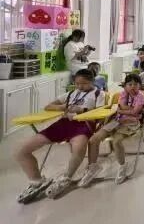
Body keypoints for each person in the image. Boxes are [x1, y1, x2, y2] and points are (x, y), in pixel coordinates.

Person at [15, 69, 105, 202]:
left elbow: (101, 112)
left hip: (83, 126)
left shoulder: (99, 94)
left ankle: (66, 177)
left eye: (84, 83)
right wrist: (62, 107)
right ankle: (36, 181)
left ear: (92, 81)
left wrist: (82, 110)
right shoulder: (71, 93)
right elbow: (48, 106)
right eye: (77, 84)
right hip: (62, 124)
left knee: (79, 148)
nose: (80, 87)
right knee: (21, 151)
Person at [79, 74, 144, 187]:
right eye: (130, 84)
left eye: (135, 84)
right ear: (125, 86)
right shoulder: (123, 94)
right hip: (116, 121)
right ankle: (93, 168)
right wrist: (127, 110)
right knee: (93, 140)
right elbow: (126, 108)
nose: (133, 87)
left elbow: (133, 112)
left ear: (140, 85)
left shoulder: (141, 96)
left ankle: (122, 166)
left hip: (131, 123)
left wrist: (122, 110)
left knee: (116, 141)